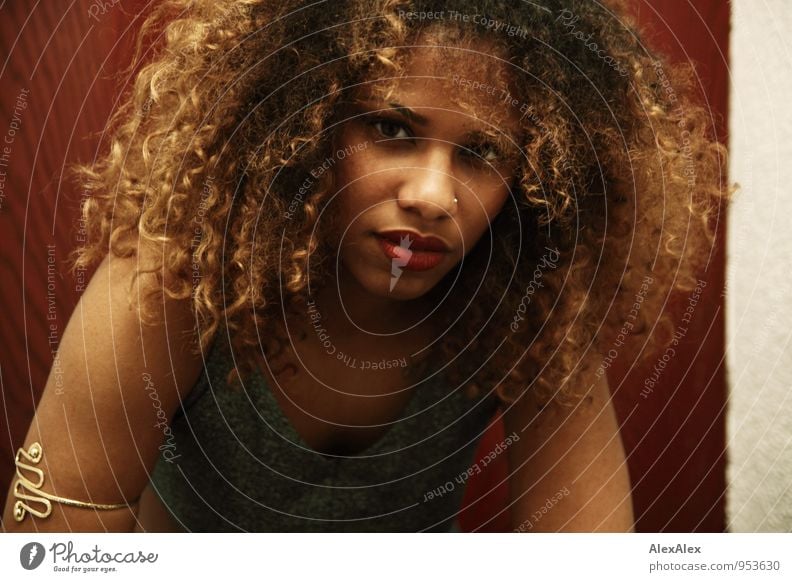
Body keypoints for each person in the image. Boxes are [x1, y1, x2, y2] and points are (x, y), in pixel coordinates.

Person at [3, 0, 728, 532]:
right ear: (303, 123)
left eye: (481, 154)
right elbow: (45, 546)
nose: (431, 196)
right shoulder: (185, 273)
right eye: (391, 130)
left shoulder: (526, 310)